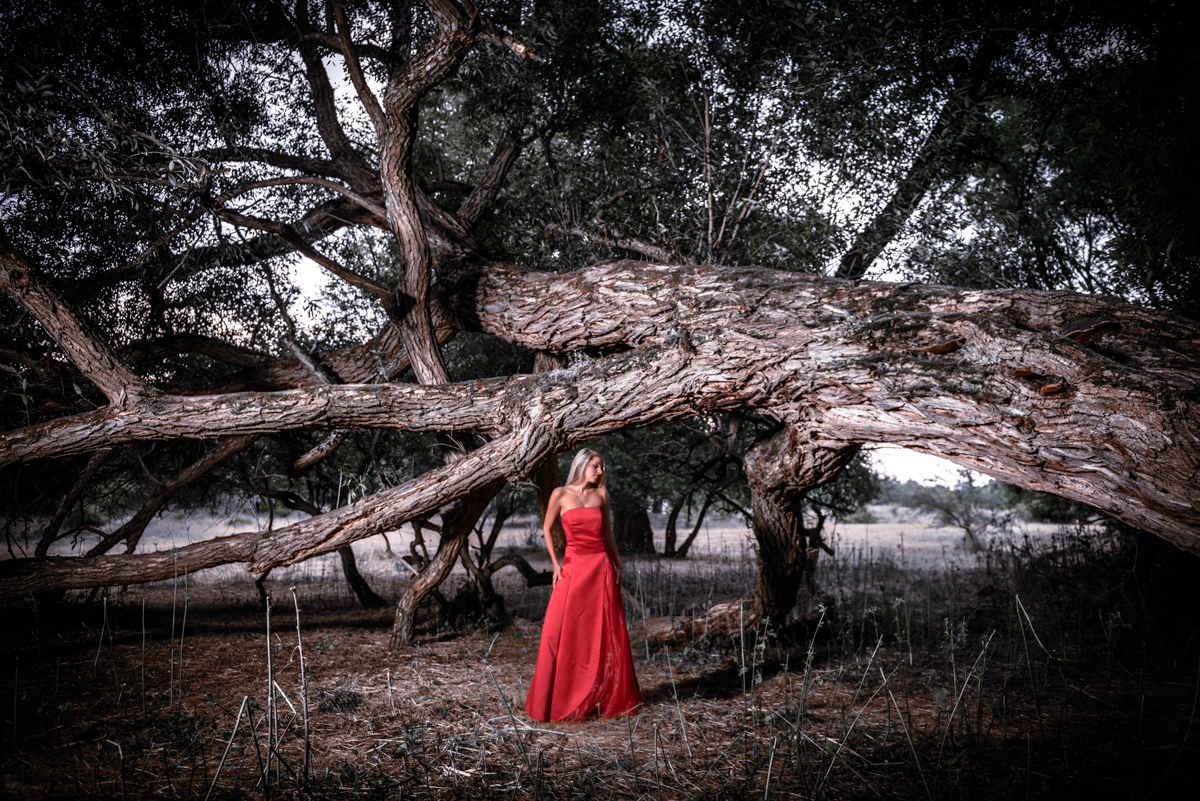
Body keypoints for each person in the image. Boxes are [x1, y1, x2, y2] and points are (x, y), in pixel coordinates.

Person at [524, 448, 643, 721]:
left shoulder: (601, 495)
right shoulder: (560, 494)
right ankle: (556, 697)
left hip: (600, 566)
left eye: (601, 467)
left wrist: (617, 563)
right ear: (582, 465)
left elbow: (608, 532)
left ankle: (602, 692)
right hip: (573, 567)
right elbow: (546, 527)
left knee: (604, 630)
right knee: (558, 629)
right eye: (596, 466)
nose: (600, 472)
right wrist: (555, 564)